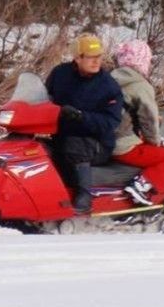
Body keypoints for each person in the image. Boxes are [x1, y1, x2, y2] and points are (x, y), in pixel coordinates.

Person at [46, 34, 123, 214]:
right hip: (61, 135)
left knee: (75, 144)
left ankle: (84, 195)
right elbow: (44, 97)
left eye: (99, 56)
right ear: (77, 57)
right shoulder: (60, 74)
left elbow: (110, 121)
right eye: (91, 57)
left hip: (97, 142)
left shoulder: (108, 86)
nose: (96, 61)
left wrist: (81, 116)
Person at [110, 39, 164, 206]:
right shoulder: (140, 85)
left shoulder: (109, 80)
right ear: (143, 62)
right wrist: (156, 144)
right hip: (122, 145)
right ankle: (140, 186)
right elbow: (149, 121)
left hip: (106, 139)